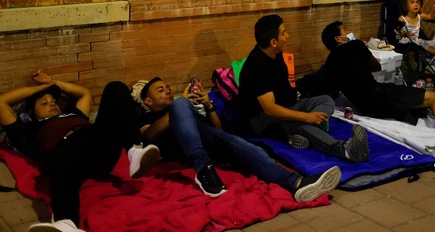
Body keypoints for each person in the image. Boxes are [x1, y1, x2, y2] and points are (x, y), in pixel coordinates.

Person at [0, 71, 160, 232]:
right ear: (32, 113)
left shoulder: (73, 115)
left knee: (115, 87)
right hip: (68, 158)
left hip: (97, 146)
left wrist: (54, 82)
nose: (52, 105)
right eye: (44, 103)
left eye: (54, 102)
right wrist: (40, 88)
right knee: (61, 153)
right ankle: (66, 222)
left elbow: (84, 93)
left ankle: (134, 151)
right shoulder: (28, 130)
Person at [134, 76, 342, 202]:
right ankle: (204, 171)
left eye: (167, 88)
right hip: (188, 152)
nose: (167, 91)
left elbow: (216, 128)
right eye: (160, 90)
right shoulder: (148, 117)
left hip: (212, 141)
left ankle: (297, 184)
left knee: (250, 149)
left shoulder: (183, 107)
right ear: (148, 100)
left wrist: (208, 105)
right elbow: (148, 135)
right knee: (181, 106)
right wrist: (179, 107)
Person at [321, 21, 435, 145]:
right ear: (338, 38)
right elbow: (375, 67)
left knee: (427, 100)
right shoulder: (355, 46)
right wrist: (361, 48)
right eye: (345, 30)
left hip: (366, 104)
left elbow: (329, 87)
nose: (349, 32)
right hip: (378, 95)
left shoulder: (329, 64)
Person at [238, 14, 370, 163]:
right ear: (273, 42)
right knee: (302, 124)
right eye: (284, 33)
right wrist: (306, 117)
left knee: (326, 99)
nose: (287, 36)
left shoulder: (276, 54)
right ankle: (345, 150)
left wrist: (304, 109)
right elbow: (270, 109)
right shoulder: (256, 68)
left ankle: (300, 133)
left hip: (287, 105)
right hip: (261, 119)